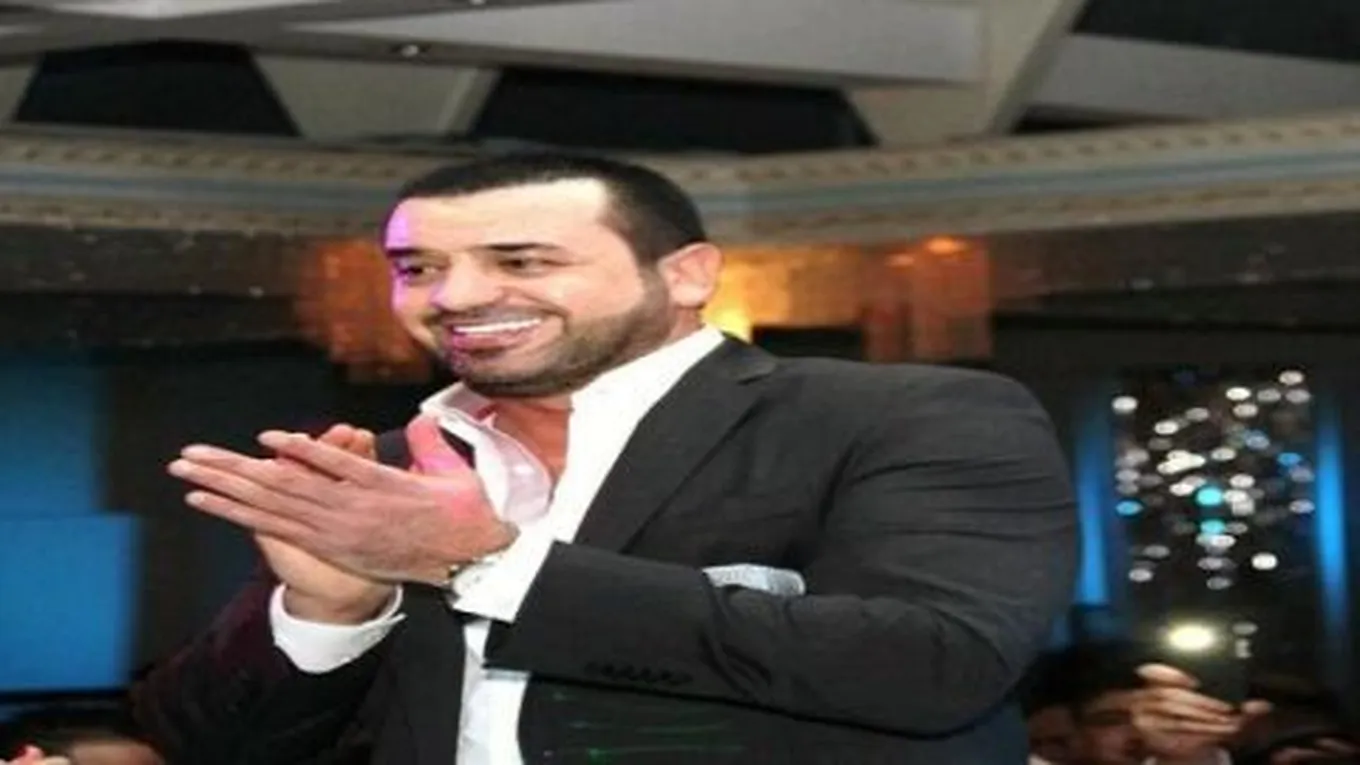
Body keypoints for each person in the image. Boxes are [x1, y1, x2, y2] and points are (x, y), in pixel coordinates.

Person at [131, 152, 1079, 764]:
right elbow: (210, 746)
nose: (455, 296)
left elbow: (933, 666)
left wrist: (483, 562)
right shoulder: (385, 473)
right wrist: (332, 612)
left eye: (523, 261)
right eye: (419, 268)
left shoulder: (900, 417)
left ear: (687, 275)